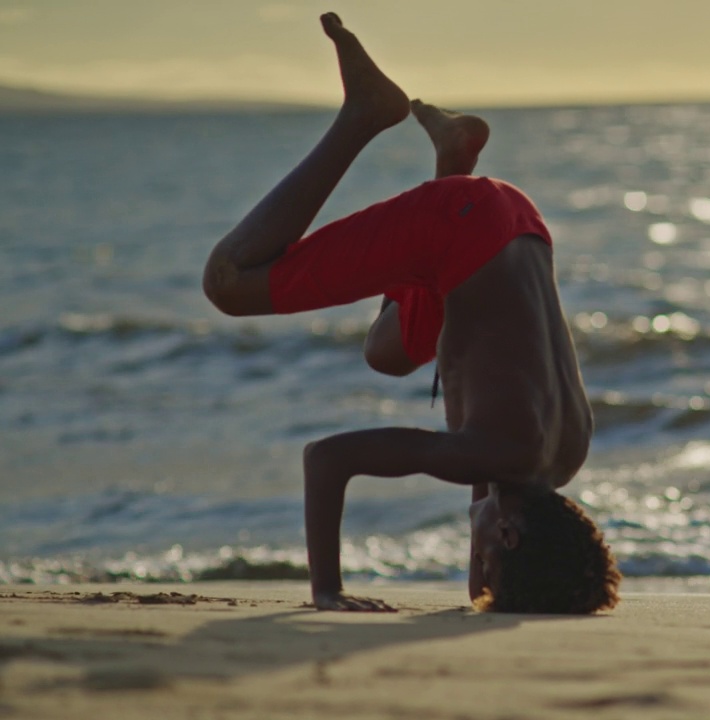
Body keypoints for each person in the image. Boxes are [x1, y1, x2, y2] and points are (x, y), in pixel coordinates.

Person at [201, 12, 620, 613]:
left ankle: (454, 153)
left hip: (518, 231)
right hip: (459, 227)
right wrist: (327, 591)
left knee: (388, 353)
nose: (480, 570)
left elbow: (488, 470)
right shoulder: (498, 455)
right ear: (507, 535)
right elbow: (328, 459)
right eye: (491, 565)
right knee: (230, 284)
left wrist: (486, 578)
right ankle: (365, 114)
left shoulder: (560, 455)